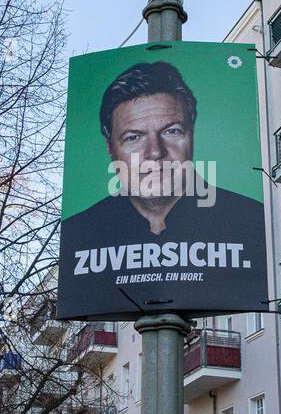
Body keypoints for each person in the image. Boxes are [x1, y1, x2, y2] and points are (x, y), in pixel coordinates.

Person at [58, 60, 265, 319]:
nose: (155, 152)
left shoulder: (248, 219)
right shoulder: (80, 233)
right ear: (110, 145)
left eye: (171, 131)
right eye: (133, 137)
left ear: (193, 131)